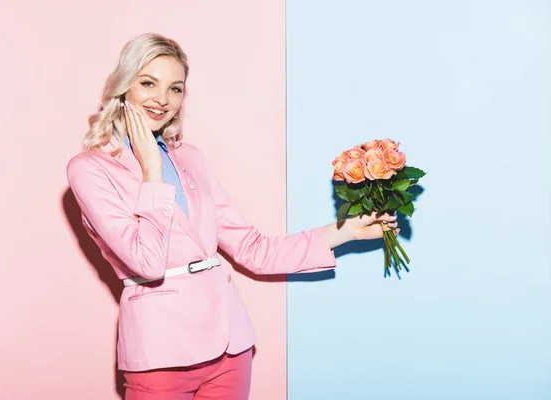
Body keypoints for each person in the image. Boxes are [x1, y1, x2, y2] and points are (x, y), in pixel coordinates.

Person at [66, 32, 399, 400]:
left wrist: (345, 230)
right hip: (160, 355)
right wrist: (151, 171)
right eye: (148, 83)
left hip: (230, 349)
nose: (162, 99)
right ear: (124, 86)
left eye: (175, 89)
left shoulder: (190, 157)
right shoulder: (90, 170)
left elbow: (253, 248)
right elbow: (146, 263)